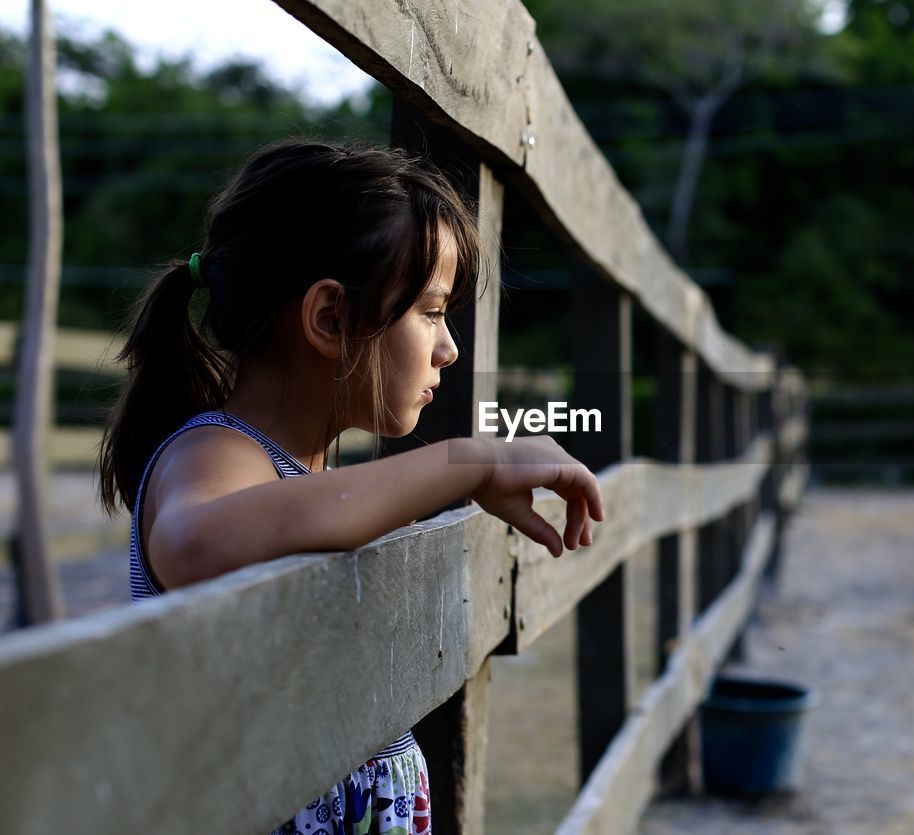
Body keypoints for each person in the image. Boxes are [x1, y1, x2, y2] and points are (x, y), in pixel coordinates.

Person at [97, 138, 605, 835]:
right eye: (429, 312)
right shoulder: (215, 449)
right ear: (331, 319)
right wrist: (467, 461)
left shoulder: (310, 475)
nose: (448, 347)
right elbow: (193, 539)